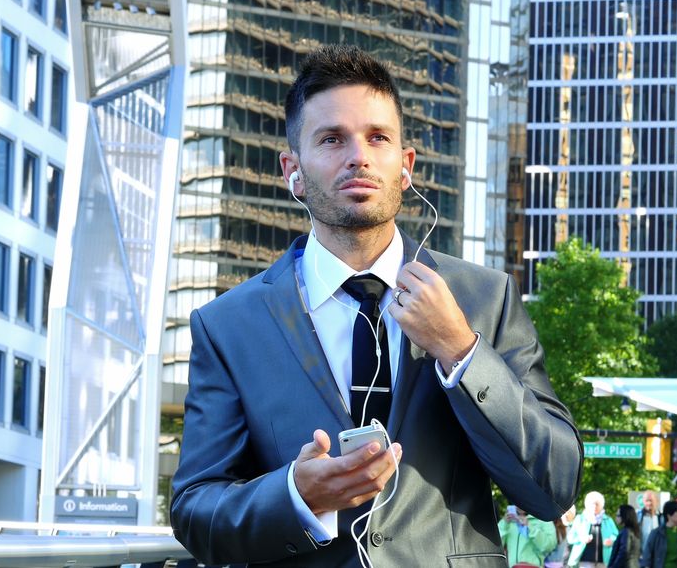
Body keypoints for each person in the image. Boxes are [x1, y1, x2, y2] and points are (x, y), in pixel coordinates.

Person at [169, 43, 583, 567]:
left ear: (405, 165)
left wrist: (460, 350)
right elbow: (193, 509)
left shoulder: (485, 297)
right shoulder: (228, 326)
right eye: (332, 139)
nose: (358, 156)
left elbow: (555, 487)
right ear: (292, 170)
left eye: (378, 137)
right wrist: (296, 496)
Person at [567, 492, 618, 567]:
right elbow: (570, 538)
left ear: (601, 505)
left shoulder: (608, 520)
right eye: (592, 504)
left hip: (604, 562)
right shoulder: (580, 519)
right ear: (587, 505)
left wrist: (611, 540)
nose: (594, 506)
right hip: (584, 562)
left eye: (597, 504)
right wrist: (582, 539)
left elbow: (616, 535)